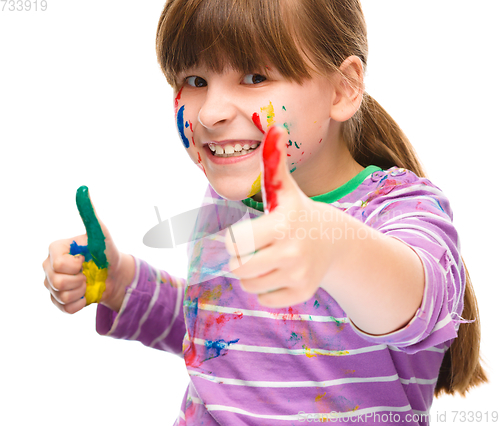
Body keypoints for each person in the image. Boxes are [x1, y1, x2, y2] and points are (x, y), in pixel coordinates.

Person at [42, 0, 487, 424]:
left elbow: (417, 297)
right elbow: (224, 342)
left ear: (343, 88)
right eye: (195, 81)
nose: (211, 112)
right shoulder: (227, 205)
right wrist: (124, 284)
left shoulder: (399, 208)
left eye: (254, 77)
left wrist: (331, 245)